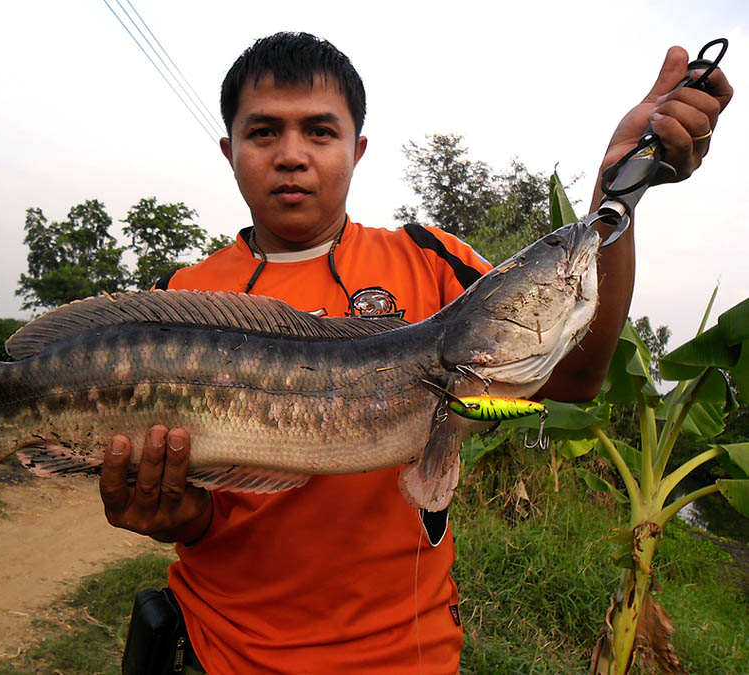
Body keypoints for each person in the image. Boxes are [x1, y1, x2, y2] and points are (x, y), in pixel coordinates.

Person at [99, 32, 732, 673]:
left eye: (320, 132)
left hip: (408, 655)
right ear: (229, 149)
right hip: (223, 650)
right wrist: (176, 515)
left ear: (357, 148)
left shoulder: (428, 260)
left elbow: (576, 374)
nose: (292, 156)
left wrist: (616, 194)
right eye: (264, 133)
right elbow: (199, 515)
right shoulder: (179, 303)